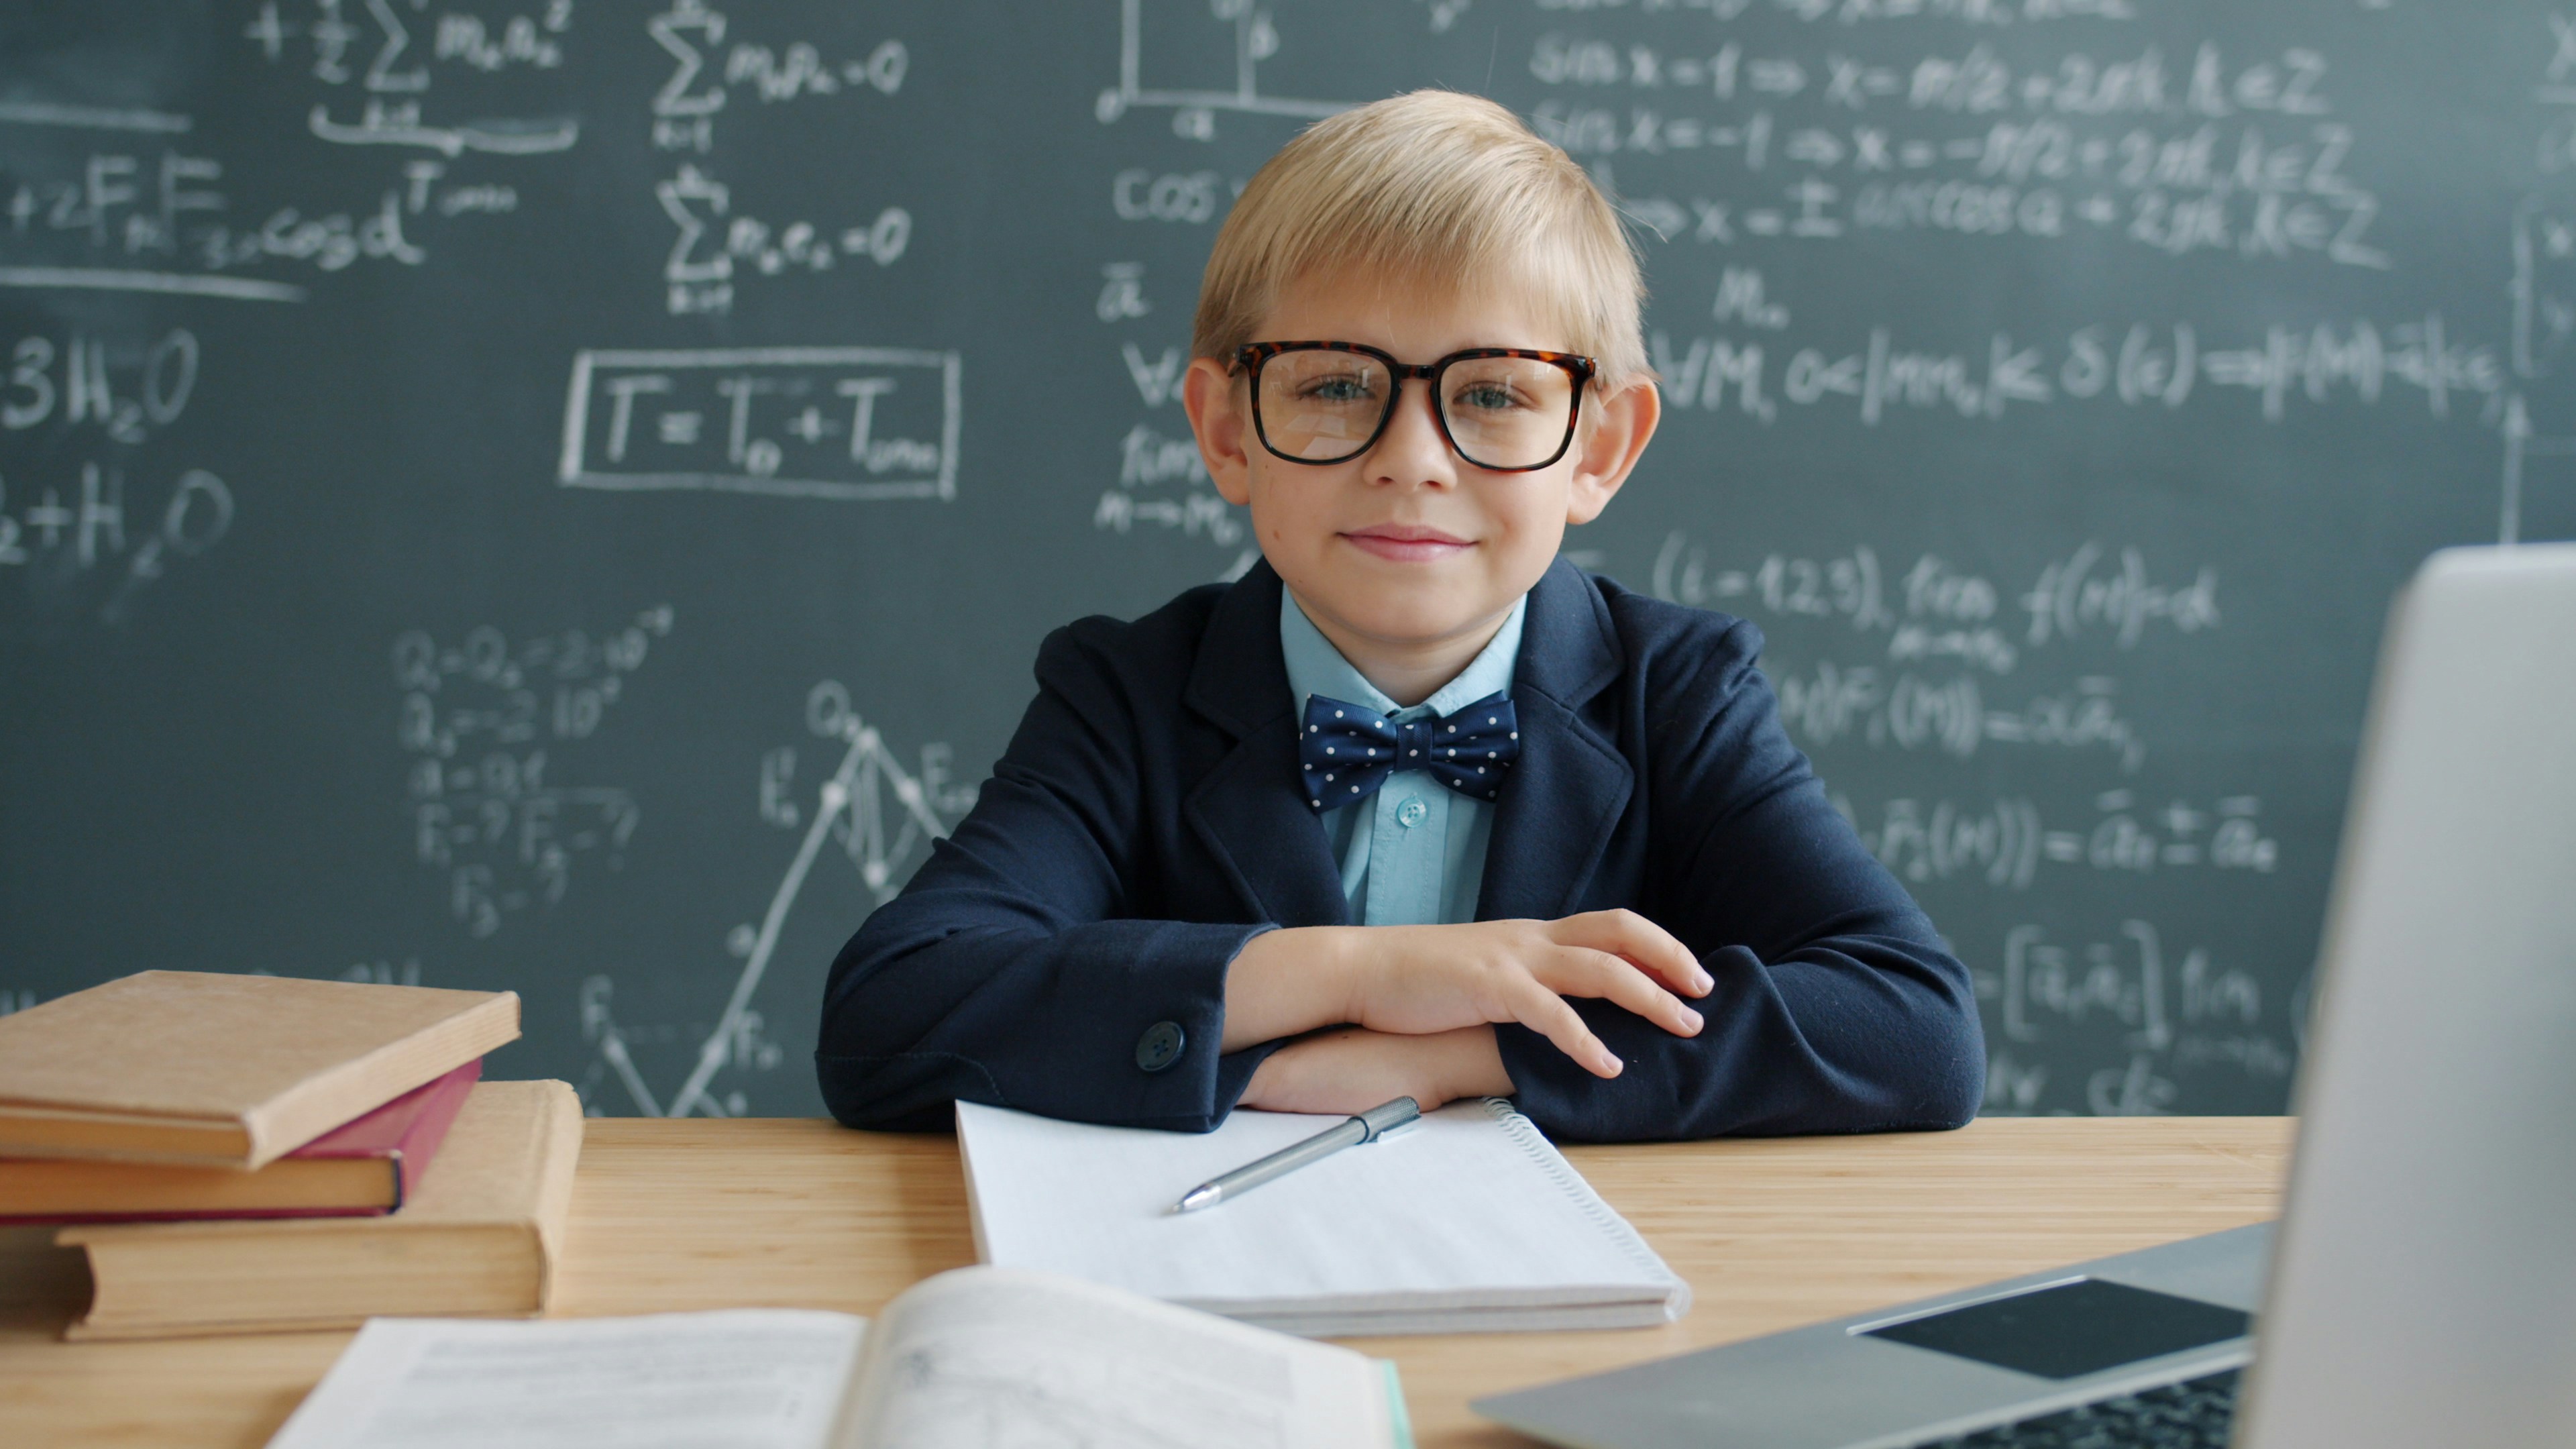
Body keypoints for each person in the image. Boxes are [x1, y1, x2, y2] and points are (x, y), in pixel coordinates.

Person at [818, 90, 1983, 1142]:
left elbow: (1913, 1028)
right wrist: (1366, 973)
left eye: (1491, 394)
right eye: (1335, 385)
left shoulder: (1674, 691)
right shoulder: (1126, 694)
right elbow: (893, 1012)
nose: (1413, 460)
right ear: (1227, 432)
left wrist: (1458, 1058)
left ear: (1600, 447)